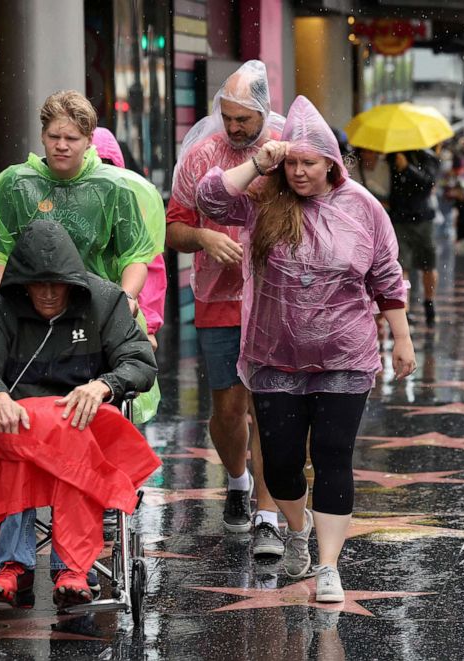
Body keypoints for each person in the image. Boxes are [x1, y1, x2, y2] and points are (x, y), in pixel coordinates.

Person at [195, 95, 416, 603]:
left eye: (308, 163)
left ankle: (329, 566)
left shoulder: (363, 206)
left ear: (332, 163)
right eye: (291, 162)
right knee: (281, 461)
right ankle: (297, 532)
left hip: (345, 355)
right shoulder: (260, 197)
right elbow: (208, 198)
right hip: (274, 357)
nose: (297, 172)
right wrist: (259, 161)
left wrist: (402, 338)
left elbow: (386, 276)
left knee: (334, 455)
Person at [0, 220, 157, 609]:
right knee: (17, 443)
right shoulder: (4, 305)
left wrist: (105, 385)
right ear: (23, 283)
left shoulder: (105, 300)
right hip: (22, 421)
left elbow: (141, 363)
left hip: (85, 421)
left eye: (57, 284)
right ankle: (13, 564)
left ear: (73, 281)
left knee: (72, 450)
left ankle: (74, 568)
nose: (48, 293)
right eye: (38, 284)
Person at [0, 90, 161, 423]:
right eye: (54, 136)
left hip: (98, 313)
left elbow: (136, 254)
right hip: (28, 311)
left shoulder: (112, 188)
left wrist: (125, 299)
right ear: (42, 135)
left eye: (72, 138)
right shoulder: (15, 185)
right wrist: (12, 301)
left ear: (89, 141)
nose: (62, 145)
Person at [165, 60, 283, 554]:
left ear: (264, 111)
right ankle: (237, 482)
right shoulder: (200, 154)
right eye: (227, 117)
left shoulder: (287, 143)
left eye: (243, 120)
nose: (234, 127)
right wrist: (206, 238)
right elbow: (171, 230)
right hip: (218, 298)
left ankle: (269, 514)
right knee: (229, 408)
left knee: (273, 408)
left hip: (279, 299)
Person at [92, 127, 168, 349]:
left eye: (108, 165)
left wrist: (150, 326)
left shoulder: (130, 205)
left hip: (124, 316)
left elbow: (151, 266)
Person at [388, 147, 440, 325]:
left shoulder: (427, 157)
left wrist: (407, 168)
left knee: (428, 265)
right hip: (399, 220)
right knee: (402, 266)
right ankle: (405, 309)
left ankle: (429, 301)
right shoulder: (390, 157)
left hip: (423, 219)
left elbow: (428, 184)